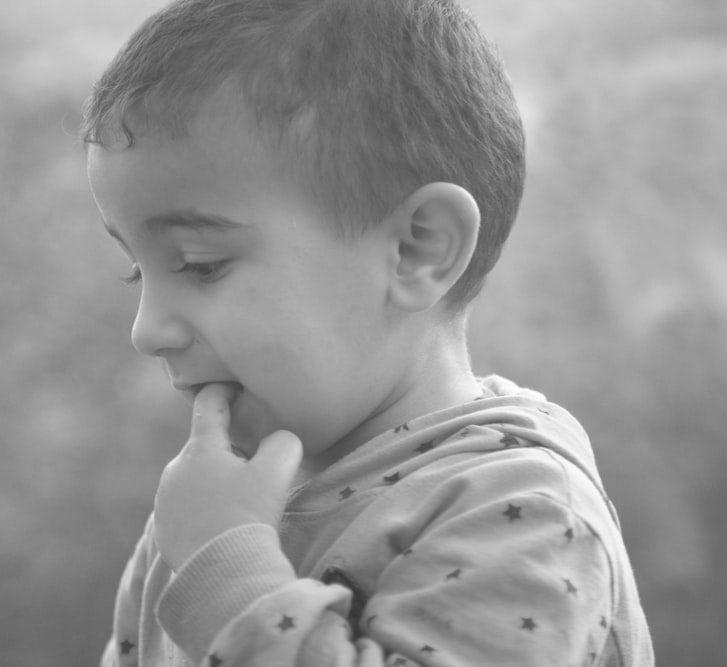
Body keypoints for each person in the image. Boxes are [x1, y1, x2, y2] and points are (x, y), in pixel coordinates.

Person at [82, 0, 654, 664]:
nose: (146, 330)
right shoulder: (202, 510)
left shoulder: (524, 511)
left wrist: (228, 573)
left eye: (202, 265)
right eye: (135, 271)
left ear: (418, 249)